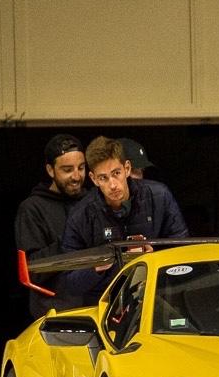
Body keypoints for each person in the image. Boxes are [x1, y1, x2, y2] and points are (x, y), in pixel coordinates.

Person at [62, 136, 188, 304]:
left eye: (116, 173)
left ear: (127, 168)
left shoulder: (159, 196)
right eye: (103, 178)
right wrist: (96, 267)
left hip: (156, 296)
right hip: (103, 303)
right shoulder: (80, 215)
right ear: (93, 179)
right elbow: (69, 282)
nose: (112, 185)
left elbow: (184, 252)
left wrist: (154, 258)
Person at [14, 133, 87, 319]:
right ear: (50, 170)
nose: (76, 176)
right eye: (67, 169)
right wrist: (71, 239)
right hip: (53, 315)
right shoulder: (32, 208)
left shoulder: (93, 202)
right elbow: (32, 271)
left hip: (96, 311)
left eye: (81, 167)